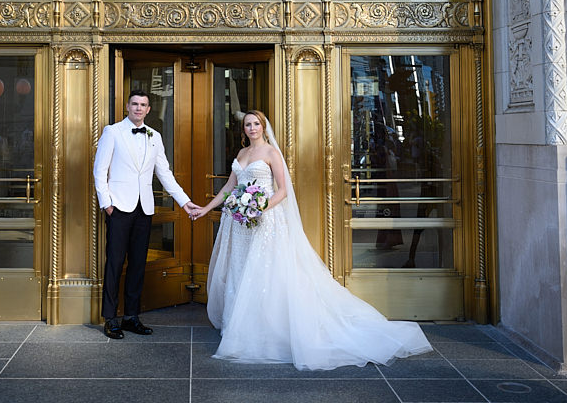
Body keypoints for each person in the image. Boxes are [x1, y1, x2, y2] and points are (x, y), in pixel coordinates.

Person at [193, 110, 432, 370]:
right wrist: (206, 208)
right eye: (248, 124)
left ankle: (265, 329)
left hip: (266, 222)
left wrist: (259, 207)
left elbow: (283, 191)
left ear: (263, 127)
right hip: (241, 225)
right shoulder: (240, 155)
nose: (252, 128)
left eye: (256, 124)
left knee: (265, 273)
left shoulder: (272, 153)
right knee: (242, 270)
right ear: (243, 130)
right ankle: (242, 325)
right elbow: (230, 187)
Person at [93, 89, 200, 339]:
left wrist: (185, 202)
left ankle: (131, 317)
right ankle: (110, 318)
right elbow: (100, 171)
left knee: (138, 265)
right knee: (115, 263)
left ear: (149, 110)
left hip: (144, 208)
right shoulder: (113, 132)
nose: (139, 108)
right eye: (135, 104)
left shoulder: (155, 136)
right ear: (127, 107)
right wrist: (107, 204)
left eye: (143, 105)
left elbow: (165, 174)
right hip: (119, 207)